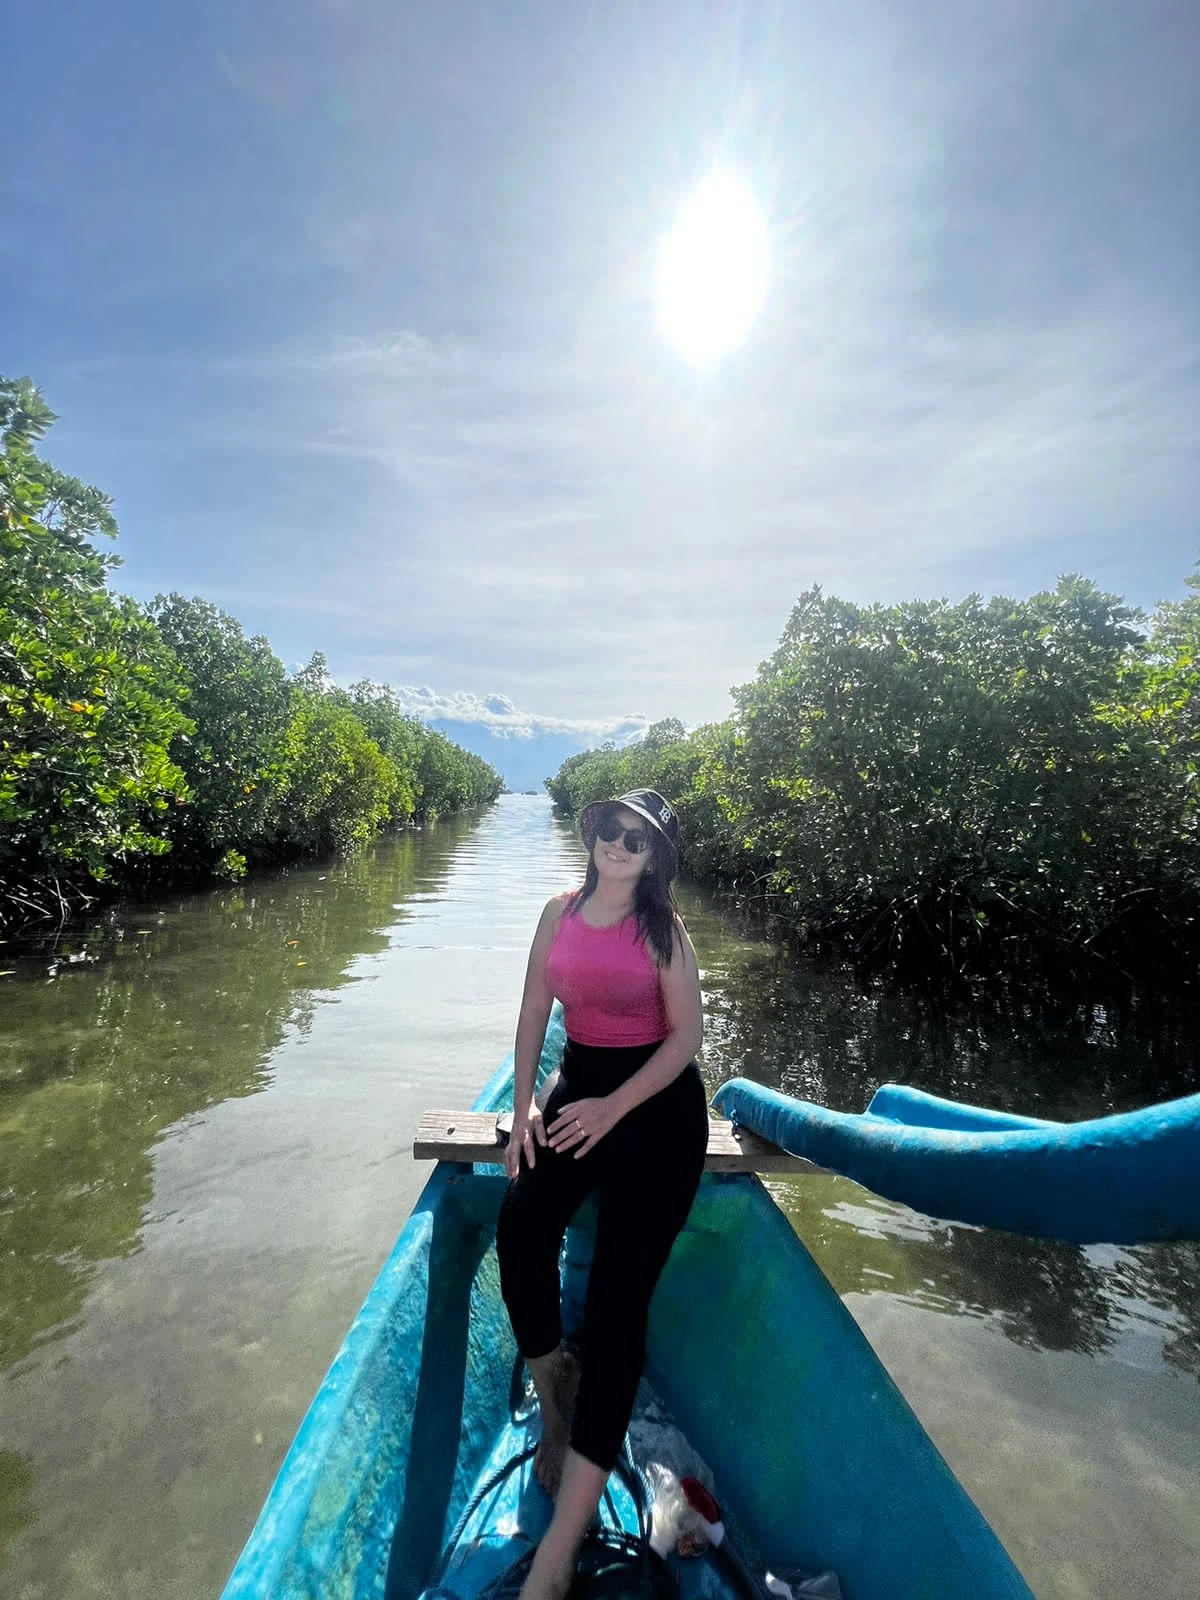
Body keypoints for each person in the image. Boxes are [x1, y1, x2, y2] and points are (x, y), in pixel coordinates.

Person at [495, 789, 710, 1600]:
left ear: (654, 858)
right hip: (575, 1081)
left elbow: (687, 1038)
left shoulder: (665, 930)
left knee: (620, 1310)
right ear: (591, 835)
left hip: (653, 1105)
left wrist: (613, 1107)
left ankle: (557, 1551)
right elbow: (533, 1009)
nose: (618, 845)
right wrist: (521, 1112)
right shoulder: (557, 911)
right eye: (609, 830)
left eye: (637, 839)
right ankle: (556, 1399)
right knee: (520, 1225)